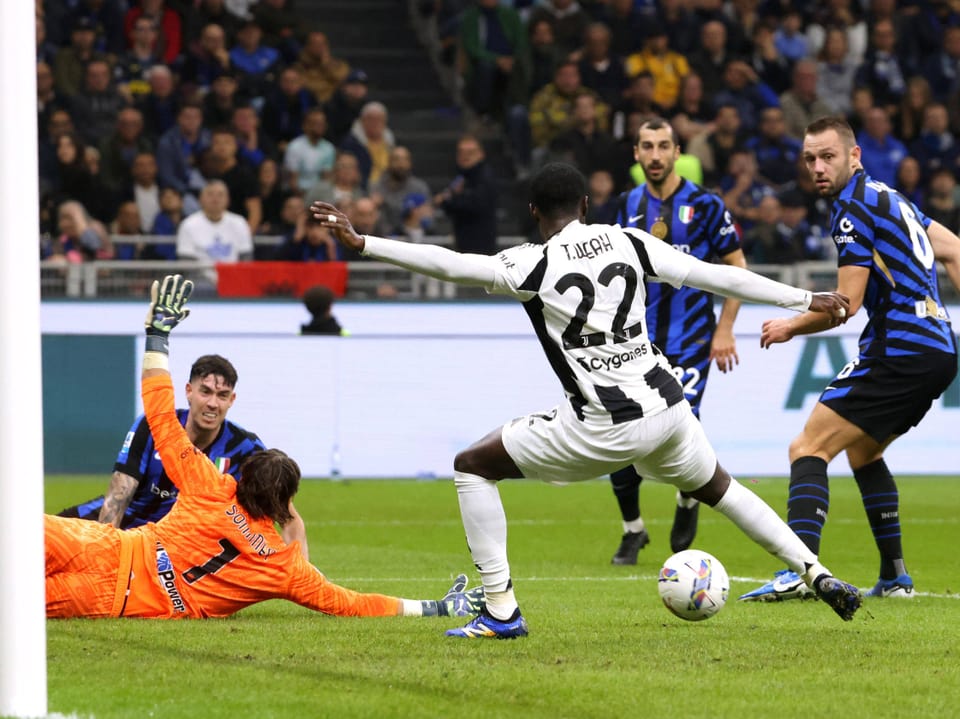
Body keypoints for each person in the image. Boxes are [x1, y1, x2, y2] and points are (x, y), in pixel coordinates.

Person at [310, 163, 863, 639]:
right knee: (721, 488)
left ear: (532, 209)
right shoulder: (629, 239)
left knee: (472, 467)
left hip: (606, 425)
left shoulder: (529, 263)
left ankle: (500, 610)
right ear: (585, 204)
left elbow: (449, 262)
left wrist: (364, 243)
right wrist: (806, 296)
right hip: (670, 406)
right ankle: (815, 573)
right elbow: (715, 275)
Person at [46, 275, 484, 620]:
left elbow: (160, 410)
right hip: (122, 596)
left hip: (107, 547)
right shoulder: (282, 568)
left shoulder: (209, 485)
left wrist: (158, 335)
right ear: (281, 505)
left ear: (239, 478)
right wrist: (438, 607)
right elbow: (352, 603)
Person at [739, 117, 960, 604]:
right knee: (864, 452)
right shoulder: (891, 198)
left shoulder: (850, 208)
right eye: (809, 160)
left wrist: (790, 324)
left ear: (854, 155)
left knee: (808, 447)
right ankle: (896, 576)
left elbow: (846, 303)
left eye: (828, 157)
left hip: (899, 349)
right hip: (939, 349)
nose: (818, 168)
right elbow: (955, 251)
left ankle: (800, 570)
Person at [606, 118, 747, 565]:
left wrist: (725, 329)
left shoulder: (705, 205)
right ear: (636, 154)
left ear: (677, 151)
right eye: (646, 146)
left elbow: (736, 267)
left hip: (691, 343)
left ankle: (688, 500)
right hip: (636, 346)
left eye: (663, 146)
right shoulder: (626, 205)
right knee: (618, 432)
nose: (655, 155)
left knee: (678, 431)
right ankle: (634, 530)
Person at [57, 353, 311, 555]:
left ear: (232, 400)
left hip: (166, 550)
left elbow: (287, 517)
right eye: (206, 392)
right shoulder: (153, 426)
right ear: (189, 391)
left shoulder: (245, 449)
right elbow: (117, 500)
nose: (213, 403)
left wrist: (303, 576)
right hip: (113, 531)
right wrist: (102, 554)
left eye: (222, 395)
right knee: (34, 543)